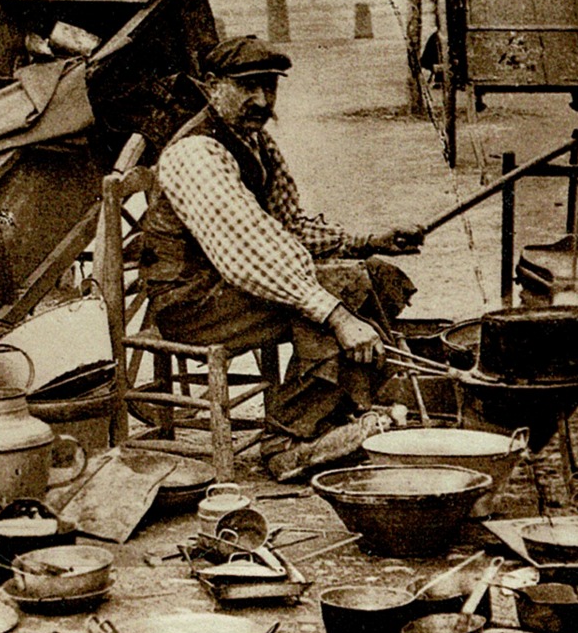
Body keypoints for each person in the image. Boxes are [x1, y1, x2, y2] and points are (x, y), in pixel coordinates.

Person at [139, 35, 427, 478]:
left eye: (269, 86)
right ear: (211, 84)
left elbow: (288, 226)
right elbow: (252, 251)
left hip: (233, 289)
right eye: (248, 86)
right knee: (339, 300)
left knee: (377, 276)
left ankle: (316, 419)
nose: (261, 99)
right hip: (191, 303)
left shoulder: (255, 141)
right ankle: (287, 442)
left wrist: (369, 242)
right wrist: (337, 316)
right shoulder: (197, 152)